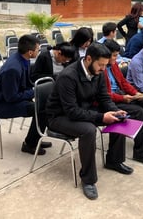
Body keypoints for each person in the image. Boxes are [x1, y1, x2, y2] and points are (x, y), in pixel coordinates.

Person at [46, 43, 132, 200]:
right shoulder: (68, 76)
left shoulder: (98, 72)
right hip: (59, 117)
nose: (103, 69)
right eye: (100, 65)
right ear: (89, 59)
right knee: (88, 130)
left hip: (82, 110)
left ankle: (114, 161)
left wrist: (114, 110)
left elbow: (104, 97)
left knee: (118, 119)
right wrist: (100, 117)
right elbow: (71, 111)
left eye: (105, 65)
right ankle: (88, 180)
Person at [0, 34, 50, 155]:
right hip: (0, 106)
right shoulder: (13, 68)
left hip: (11, 99)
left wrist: (38, 88)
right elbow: (11, 97)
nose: (39, 51)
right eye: (38, 49)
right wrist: (34, 91)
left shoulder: (22, 59)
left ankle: (35, 139)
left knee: (43, 106)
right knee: (40, 110)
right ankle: (29, 144)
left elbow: (25, 83)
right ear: (30, 52)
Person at [103, 39, 143, 165]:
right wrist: (123, 98)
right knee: (138, 111)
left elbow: (123, 82)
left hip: (120, 95)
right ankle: (140, 152)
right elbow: (104, 95)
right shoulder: (100, 68)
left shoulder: (113, 65)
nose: (116, 58)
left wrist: (135, 93)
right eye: (114, 55)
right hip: (110, 100)